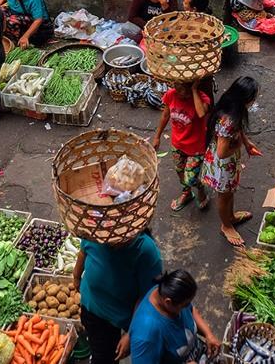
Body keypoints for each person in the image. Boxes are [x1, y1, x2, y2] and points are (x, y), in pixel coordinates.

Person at [74, 230, 163, 364]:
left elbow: (147, 296)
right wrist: (76, 277)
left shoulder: (145, 250)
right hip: (94, 309)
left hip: (127, 314)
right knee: (104, 356)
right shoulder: (95, 234)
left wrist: (130, 334)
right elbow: (83, 252)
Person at [202, 75, 261, 246]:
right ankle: (226, 225)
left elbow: (239, 130)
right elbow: (221, 152)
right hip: (222, 164)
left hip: (229, 161)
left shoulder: (234, 107)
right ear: (246, 99)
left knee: (230, 192)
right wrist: (239, 147)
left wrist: (247, 143)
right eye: (254, 97)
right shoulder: (229, 121)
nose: (254, 100)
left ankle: (231, 217)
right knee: (224, 196)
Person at [129, 270, 220, 364]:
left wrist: (209, 335)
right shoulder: (146, 336)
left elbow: (191, 310)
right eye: (184, 305)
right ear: (168, 302)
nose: (187, 306)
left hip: (197, 351)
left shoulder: (165, 291)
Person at [152, 81, 211, 211]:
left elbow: (201, 113)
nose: (179, 91)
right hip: (177, 143)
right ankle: (187, 193)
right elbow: (165, 115)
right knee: (179, 171)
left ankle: (200, 187)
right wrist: (157, 136)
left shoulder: (202, 98)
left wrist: (195, 90)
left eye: (183, 87)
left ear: (192, 86)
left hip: (196, 147)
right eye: (177, 86)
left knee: (190, 178)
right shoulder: (171, 94)